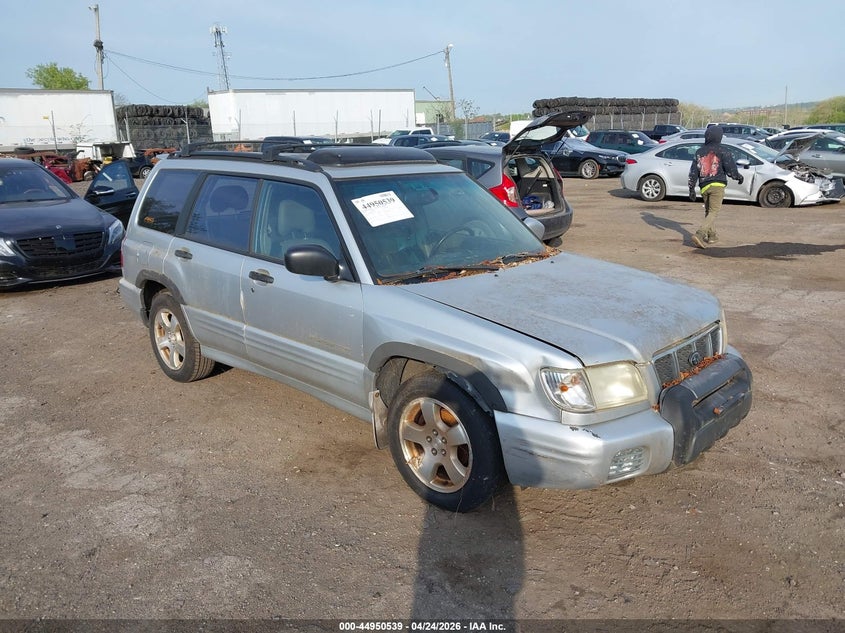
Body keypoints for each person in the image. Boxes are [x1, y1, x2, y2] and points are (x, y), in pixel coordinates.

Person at [687, 125, 743, 248]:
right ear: (719, 137)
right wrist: (738, 177)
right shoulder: (723, 151)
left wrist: (691, 188)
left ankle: (712, 236)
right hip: (717, 185)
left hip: (704, 186)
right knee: (714, 211)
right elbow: (730, 169)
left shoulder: (699, 152)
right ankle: (700, 234)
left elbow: (693, 172)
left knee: (708, 211)